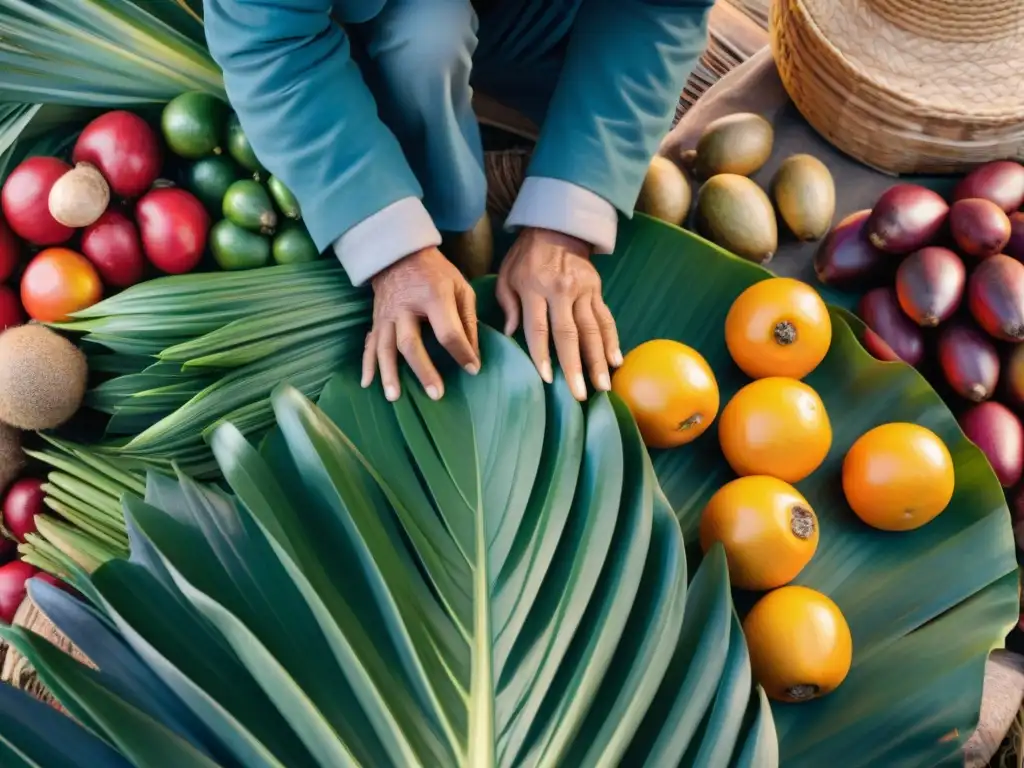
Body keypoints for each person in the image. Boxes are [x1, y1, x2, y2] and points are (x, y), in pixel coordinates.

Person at [204, 0, 714, 402]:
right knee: (427, 37)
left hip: (551, 25)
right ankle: (441, 208)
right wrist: (394, 251)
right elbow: (271, 45)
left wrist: (567, 220)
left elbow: (661, 7)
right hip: (369, 22)